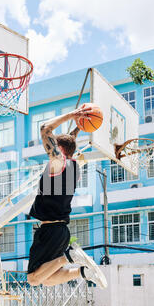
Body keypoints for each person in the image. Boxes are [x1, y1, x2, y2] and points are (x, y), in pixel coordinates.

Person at [27, 103, 106, 288]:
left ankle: (68, 257)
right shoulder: (73, 166)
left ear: (59, 149)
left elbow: (45, 129)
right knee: (45, 280)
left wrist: (73, 114)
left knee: (32, 279)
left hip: (50, 231)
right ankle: (82, 272)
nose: (49, 148)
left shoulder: (58, 162)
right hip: (61, 231)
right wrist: (81, 124)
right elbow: (69, 140)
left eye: (54, 144)